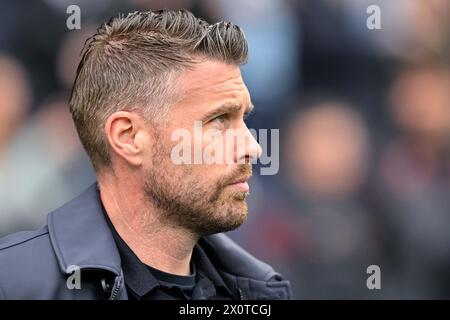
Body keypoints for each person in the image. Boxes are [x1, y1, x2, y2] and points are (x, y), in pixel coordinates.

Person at [0, 9, 291, 300]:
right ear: (128, 137)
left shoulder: (259, 291)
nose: (253, 148)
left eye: (244, 119)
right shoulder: (15, 284)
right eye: (218, 119)